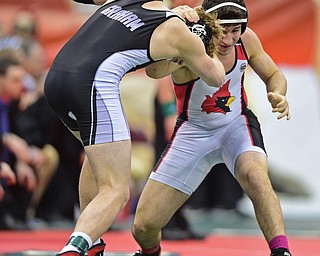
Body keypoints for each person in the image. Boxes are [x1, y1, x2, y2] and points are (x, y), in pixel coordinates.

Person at [43, 0, 225, 255]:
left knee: (96, 158)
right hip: (91, 85)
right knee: (117, 190)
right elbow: (216, 77)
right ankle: (75, 248)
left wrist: (178, 25)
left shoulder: (125, 1)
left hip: (55, 80)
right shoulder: (181, 32)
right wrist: (208, 47)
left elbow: (152, 69)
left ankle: (92, 244)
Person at [131, 1, 292, 256]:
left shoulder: (247, 39)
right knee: (143, 226)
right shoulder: (189, 43)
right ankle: (151, 253)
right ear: (207, 25)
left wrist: (277, 94)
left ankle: (281, 252)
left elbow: (273, 74)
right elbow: (154, 71)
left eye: (234, 29)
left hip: (235, 125)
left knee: (257, 177)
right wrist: (173, 32)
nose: (228, 39)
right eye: (221, 30)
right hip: (193, 131)